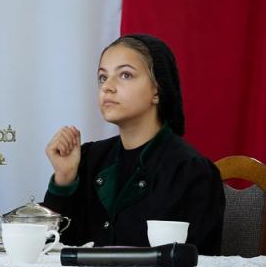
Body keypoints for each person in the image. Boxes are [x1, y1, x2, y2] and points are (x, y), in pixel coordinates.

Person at [42, 34, 224, 255]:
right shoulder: (89, 158)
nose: (107, 87)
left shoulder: (190, 171)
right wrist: (64, 180)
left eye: (125, 75)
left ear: (157, 90)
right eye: (102, 77)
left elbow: (199, 265)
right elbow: (52, 248)